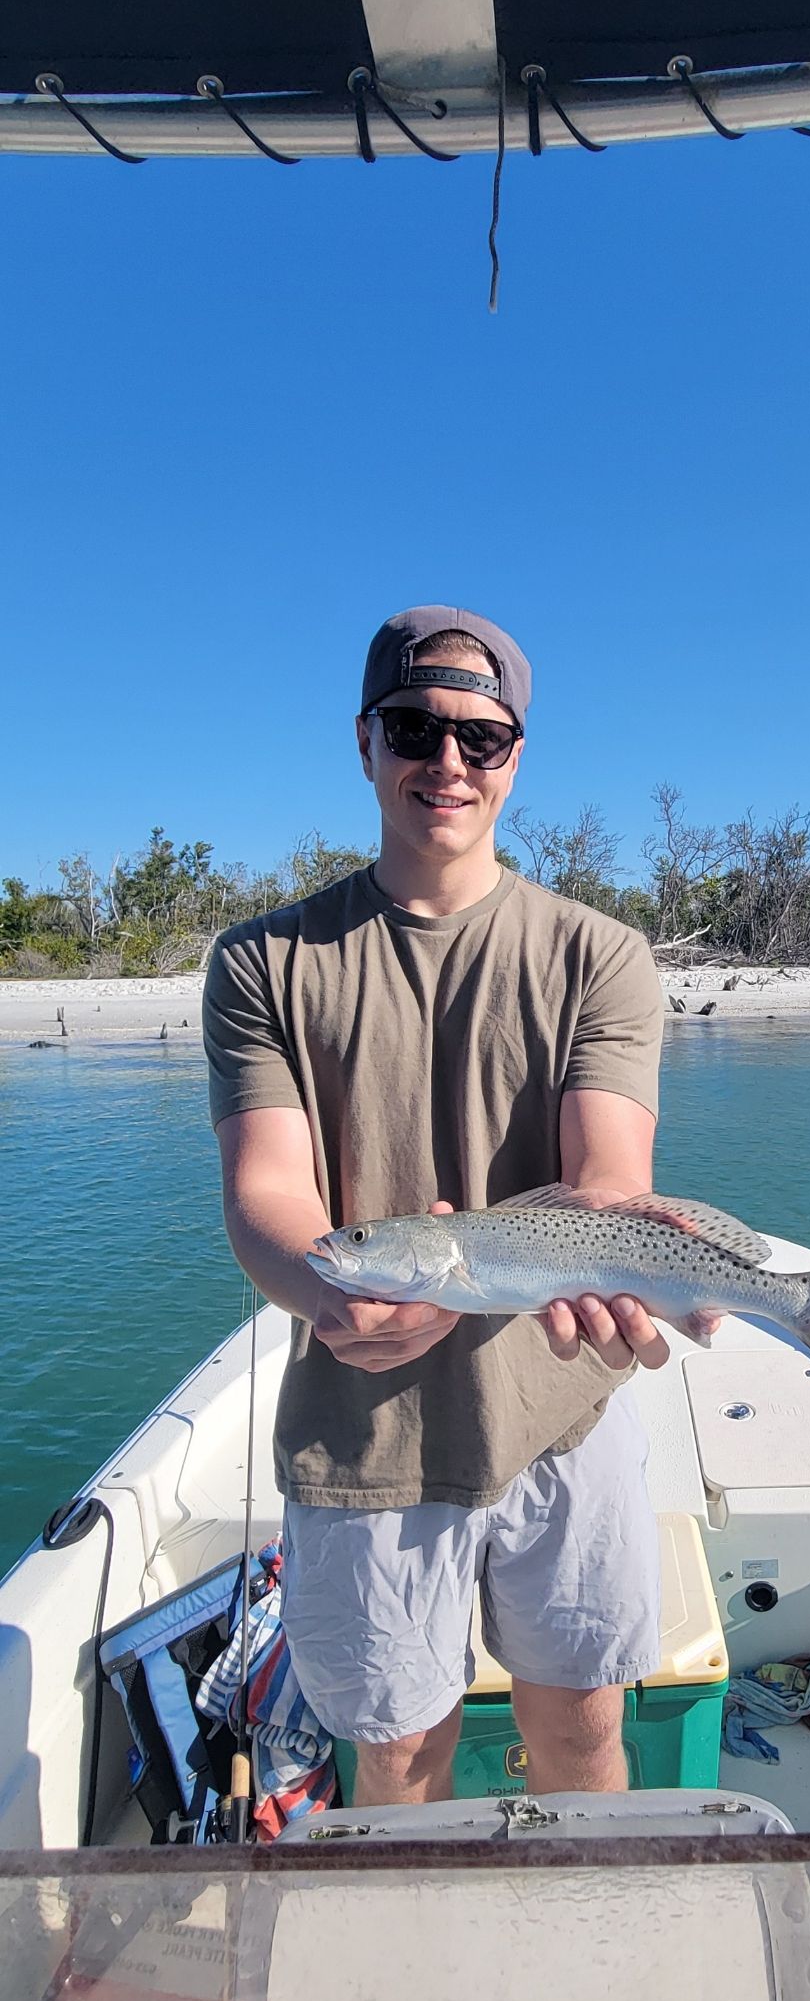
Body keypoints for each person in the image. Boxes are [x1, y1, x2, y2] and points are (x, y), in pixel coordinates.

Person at [203, 604, 669, 1805]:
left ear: (517, 756)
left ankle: (591, 1940)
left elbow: (608, 1170)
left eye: (482, 736)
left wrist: (625, 1256)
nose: (446, 763)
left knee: (579, 1728)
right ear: (364, 742)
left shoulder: (600, 955)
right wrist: (326, 1287)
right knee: (398, 1754)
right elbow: (266, 1185)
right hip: (364, 1434)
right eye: (415, 728)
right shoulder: (263, 962)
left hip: (562, 1411)